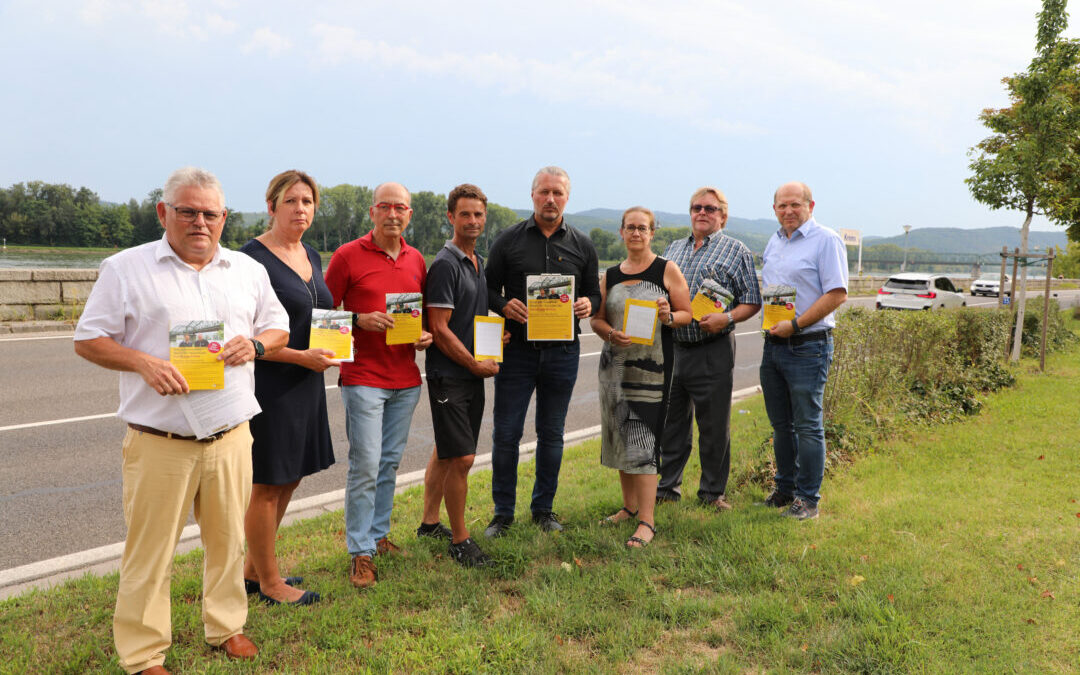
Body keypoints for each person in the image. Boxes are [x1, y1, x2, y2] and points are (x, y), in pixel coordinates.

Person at [73, 167, 289, 675]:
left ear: (224, 218)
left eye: (210, 214)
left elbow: (277, 326)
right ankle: (144, 653)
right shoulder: (126, 269)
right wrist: (142, 363)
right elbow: (88, 339)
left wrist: (256, 345)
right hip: (161, 440)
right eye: (187, 211)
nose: (199, 222)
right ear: (162, 213)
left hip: (231, 434)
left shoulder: (246, 270)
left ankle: (227, 625)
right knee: (150, 553)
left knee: (227, 541)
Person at [325, 182, 433, 588]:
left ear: (409, 214)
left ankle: (378, 535)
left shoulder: (417, 259)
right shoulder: (347, 256)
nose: (393, 214)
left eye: (400, 207)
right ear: (372, 212)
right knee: (366, 464)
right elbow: (321, 313)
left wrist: (425, 335)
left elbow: (419, 315)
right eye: (385, 207)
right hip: (363, 378)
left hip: (406, 379)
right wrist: (358, 320)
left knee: (388, 463)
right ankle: (360, 552)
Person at [483, 166, 601, 537]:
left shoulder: (582, 244)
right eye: (544, 192)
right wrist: (504, 306)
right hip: (517, 352)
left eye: (558, 193)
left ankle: (544, 510)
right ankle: (503, 514)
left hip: (563, 353)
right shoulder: (508, 240)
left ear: (567, 197)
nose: (551, 199)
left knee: (552, 434)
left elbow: (595, 295)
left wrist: (587, 304)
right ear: (532, 195)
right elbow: (484, 288)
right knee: (506, 434)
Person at [239, 170, 336, 606]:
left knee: (292, 477)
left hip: (308, 381)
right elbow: (246, 340)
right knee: (268, 483)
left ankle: (252, 571)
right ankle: (271, 584)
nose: (301, 209)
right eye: (292, 201)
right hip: (271, 384)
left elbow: (313, 314)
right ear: (272, 205)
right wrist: (302, 357)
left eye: (308, 202)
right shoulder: (250, 259)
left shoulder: (310, 253)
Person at [589, 207, 692, 547]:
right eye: (630, 227)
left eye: (642, 228)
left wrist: (668, 315)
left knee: (644, 440)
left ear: (652, 233)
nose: (636, 233)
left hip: (653, 369)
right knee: (620, 434)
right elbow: (597, 319)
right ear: (621, 232)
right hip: (615, 369)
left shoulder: (666, 269)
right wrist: (609, 334)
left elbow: (686, 315)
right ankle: (629, 508)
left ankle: (647, 521)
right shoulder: (611, 275)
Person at [416, 183, 506, 566]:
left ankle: (428, 523)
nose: (473, 221)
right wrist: (473, 363)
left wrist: (494, 339)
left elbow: (471, 318)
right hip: (449, 374)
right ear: (450, 217)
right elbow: (438, 328)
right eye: (465, 214)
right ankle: (459, 539)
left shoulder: (476, 260)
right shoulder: (445, 264)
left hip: (471, 372)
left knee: (448, 448)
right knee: (463, 458)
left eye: (478, 215)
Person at [656, 187, 762, 510]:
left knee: (714, 425)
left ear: (722, 216)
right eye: (696, 207)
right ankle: (667, 488)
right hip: (674, 346)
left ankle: (712, 493)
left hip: (712, 348)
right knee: (672, 422)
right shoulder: (673, 249)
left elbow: (752, 300)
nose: (702, 213)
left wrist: (726, 318)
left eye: (710, 209)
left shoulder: (737, 250)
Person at [760, 181, 848, 520]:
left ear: (810, 205)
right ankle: (784, 490)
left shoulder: (825, 240)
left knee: (808, 425)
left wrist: (795, 325)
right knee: (781, 425)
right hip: (774, 345)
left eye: (795, 205)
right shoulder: (774, 241)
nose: (788, 211)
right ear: (774, 209)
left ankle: (808, 499)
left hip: (807, 345)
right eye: (782, 206)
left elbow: (837, 293)